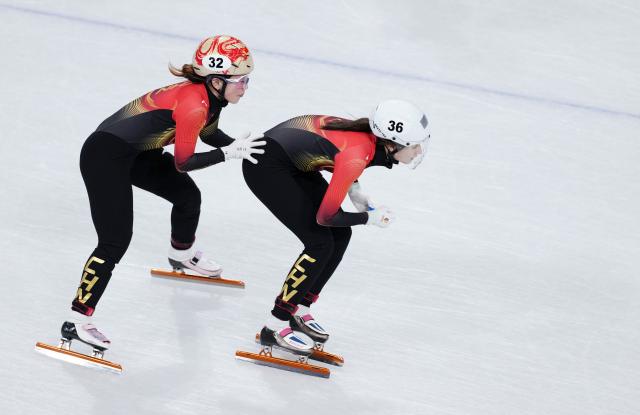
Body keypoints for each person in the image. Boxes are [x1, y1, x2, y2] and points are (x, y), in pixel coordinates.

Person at [62, 35, 264, 352]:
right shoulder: (195, 104)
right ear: (215, 80)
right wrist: (228, 154)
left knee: (187, 197)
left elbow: (208, 133)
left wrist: (240, 147)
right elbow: (184, 162)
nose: (245, 86)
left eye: (247, 79)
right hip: (105, 156)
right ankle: (77, 320)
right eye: (240, 80)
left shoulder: (210, 99)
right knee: (114, 241)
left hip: (139, 151)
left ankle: (181, 255)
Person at [242, 99, 430, 355]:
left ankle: (300, 308)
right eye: (415, 146)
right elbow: (326, 217)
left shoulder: (369, 141)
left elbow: (334, 159)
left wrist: (360, 198)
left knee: (341, 234)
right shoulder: (358, 153)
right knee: (319, 243)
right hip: (266, 166)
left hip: (293, 163)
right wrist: (368, 219)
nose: (419, 152)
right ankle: (274, 326)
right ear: (392, 143)